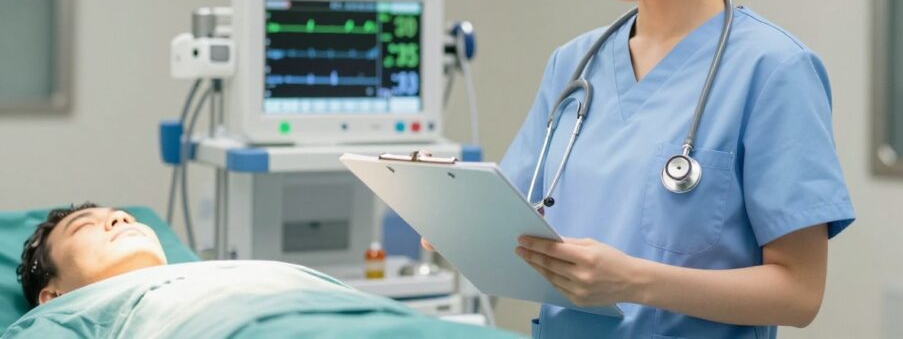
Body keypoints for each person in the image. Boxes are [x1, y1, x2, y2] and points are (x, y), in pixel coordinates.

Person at [498, 0, 856, 338]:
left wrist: (633, 281)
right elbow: (517, 224)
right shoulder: (573, 65)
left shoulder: (772, 71)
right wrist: (454, 225)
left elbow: (799, 293)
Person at [9, 204, 521, 338]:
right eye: (86, 226)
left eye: (121, 214)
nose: (119, 217)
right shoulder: (59, 319)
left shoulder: (231, 271)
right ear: (54, 294)